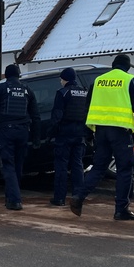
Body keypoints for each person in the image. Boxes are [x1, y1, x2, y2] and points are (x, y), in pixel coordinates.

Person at [69, 54, 134, 220]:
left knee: (99, 168)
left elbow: (87, 108)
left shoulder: (98, 81)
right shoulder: (131, 81)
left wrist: (88, 133)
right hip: (120, 132)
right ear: (127, 67)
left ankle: (78, 196)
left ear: (113, 65)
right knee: (125, 170)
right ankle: (121, 210)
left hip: (101, 131)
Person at [0, 63, 39, 210]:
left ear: (6, 76)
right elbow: (36, 116)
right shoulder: (27, 90)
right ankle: (10, 197)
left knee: (8, 166)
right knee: (18, 166)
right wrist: (36, 137)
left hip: (6, 132)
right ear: (19, 75)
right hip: (23, 132)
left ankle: (15, 200)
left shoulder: (0, 89)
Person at [49, 67, 88, 207]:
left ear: (65, 79)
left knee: (61, 166)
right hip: (79, 135)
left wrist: (51, 133)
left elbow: (57, 115)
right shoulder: (85, 92)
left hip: (64, 134)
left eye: (61, 79)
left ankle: (59, 198)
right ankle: (78, 197)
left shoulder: (63, 93)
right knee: (77, 165)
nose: (60, 81)